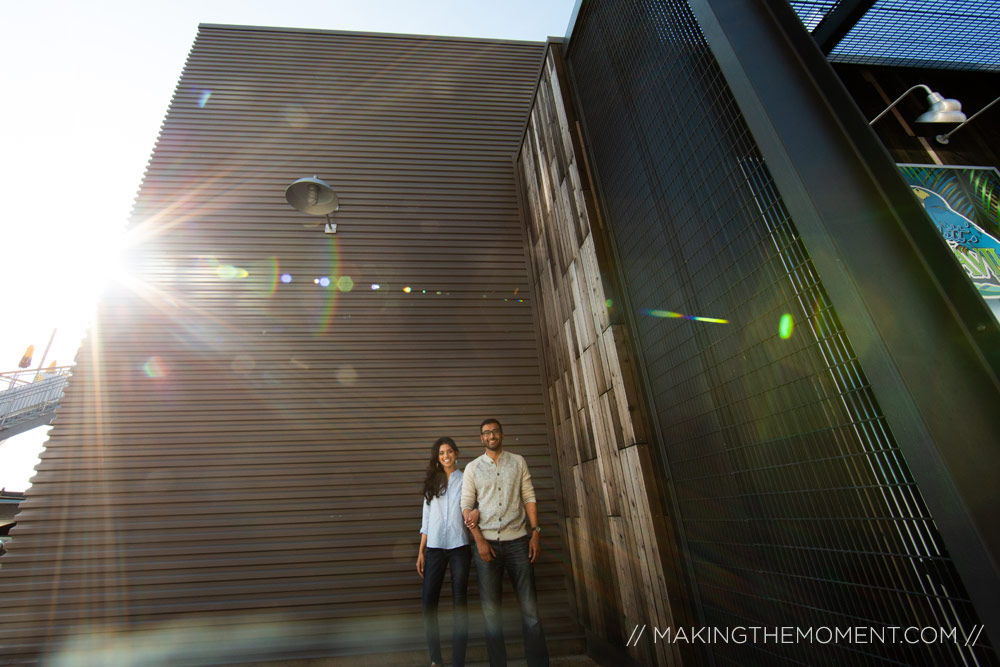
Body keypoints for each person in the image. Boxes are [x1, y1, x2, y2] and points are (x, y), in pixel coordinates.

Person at [461, 418, 549, 667]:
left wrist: (536, 532)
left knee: (530, 612)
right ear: (481, 438)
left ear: (502, 434)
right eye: (486, 433)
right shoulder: (473, 468)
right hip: (486, 546)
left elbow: (529, 496)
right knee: (492, 615)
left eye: (495, 431)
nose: (491, 436)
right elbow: (466, 506)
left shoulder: (518, 461)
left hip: (519, 543)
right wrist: (478, 540)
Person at [417, 437, 473, 667]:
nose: (446, 455)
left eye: (449, 451)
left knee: (460, 604)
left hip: (460, 547)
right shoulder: (432, 483)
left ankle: (458, 661)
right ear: (437, 457)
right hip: (435, 548)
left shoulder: (466, 479)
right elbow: (427, 520)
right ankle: (436, 659)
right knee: (429, 603)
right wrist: (421, 552)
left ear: (456, 454)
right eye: (441, 453)